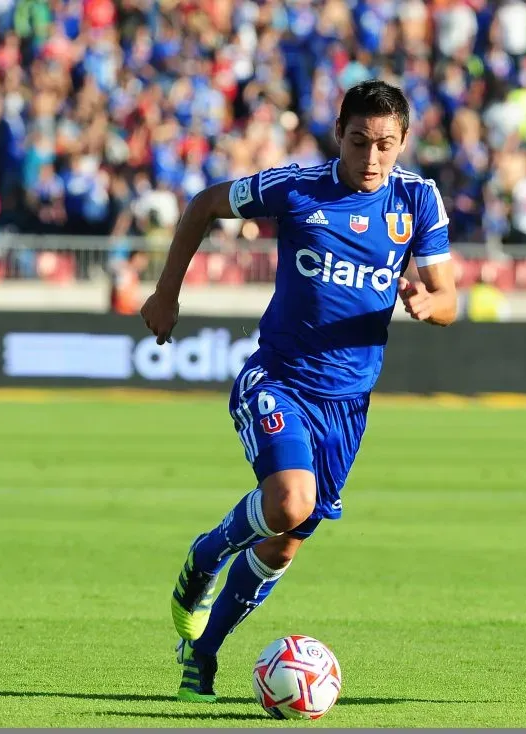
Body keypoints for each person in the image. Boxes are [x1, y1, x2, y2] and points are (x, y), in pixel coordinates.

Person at [140, 80, 457, 703]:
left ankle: (202, 655)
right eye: (360, 141)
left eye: (386, 145)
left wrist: (428, 301)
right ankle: (206, 557)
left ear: (403, 144)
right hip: (278, 378)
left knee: (286, 540)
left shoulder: (417, 199)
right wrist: (166, 293)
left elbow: (450, 298)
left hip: (349, 402)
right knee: (287, 502)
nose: (372, 158)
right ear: (339, 134)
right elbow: (204, 204)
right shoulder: (296, 187)